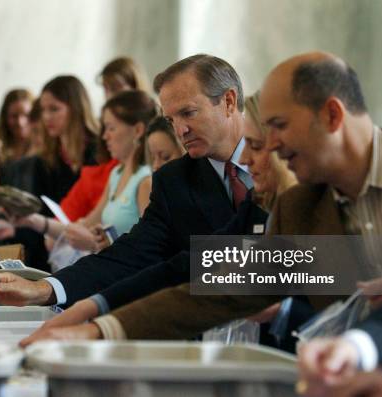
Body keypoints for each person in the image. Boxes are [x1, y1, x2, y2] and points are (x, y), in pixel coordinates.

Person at [28, 51, 382, 342]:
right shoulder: (300, 205)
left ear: (332, 116)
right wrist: (98, 322)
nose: (270, 146)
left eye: (278, 127)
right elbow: (213, 277)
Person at [19, 92, 298, 346]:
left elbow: (332, 292)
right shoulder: (258, 205)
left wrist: (286, 311)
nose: (245, 158)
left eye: (257, 146)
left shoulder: (314, 209)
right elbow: (187, 268)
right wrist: (94, 310)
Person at [0, 54, 253, 308]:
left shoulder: (280, 164)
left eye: (189, 113)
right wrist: (44, 289)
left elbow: (292, 263)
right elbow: (130, 256)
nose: (180, 130)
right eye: (171, 120)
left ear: (229, 101)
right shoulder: (174, 179)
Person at [12, 90, 157, 257]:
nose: (104, 136)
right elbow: (83, 226)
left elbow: (150, 252)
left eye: (111, 128)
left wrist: (95, 244)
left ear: (137, 130)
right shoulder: (117, 174)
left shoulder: (146, 181)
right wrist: (31, 220)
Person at [0, 76, 99, 270]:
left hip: (95, 250)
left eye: (54, 109)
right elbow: (41, 217)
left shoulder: (100, 152)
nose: (46, 117)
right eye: (43, 110)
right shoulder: (46, 160)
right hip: (57, 255)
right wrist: (11, 228)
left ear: (76, 108)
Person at [0, 88, 35, 199]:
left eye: (26, 115)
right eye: (14, 116)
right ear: (5, 118)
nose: (20, 122)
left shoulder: (44, 148)